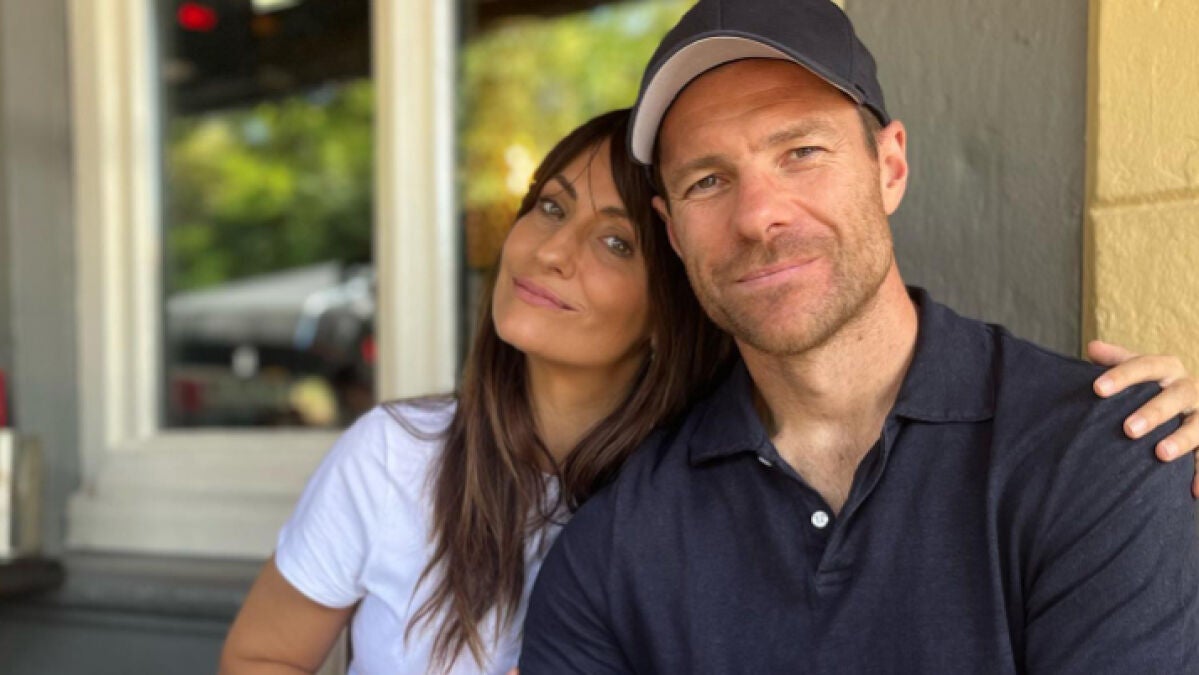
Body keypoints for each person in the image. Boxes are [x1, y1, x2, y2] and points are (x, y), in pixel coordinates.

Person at [219, 110, 1196, 673]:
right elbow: (261, 656)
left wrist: (1162, 436)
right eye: (547, 207)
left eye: (612, 241)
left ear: (673, 294)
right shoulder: (398, 457)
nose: (550, 251)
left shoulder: (709, 481)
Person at [518, 1, 1199, 673]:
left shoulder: (1098, 454)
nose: (757, 216)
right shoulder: (612, 549)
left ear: (889, 167)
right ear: (672, 231)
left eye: (801, 152)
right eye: (708, 181)